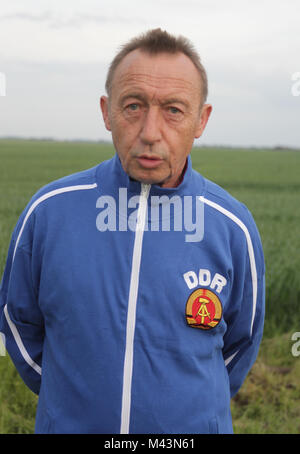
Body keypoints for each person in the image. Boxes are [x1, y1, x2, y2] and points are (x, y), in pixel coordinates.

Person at [0, 28, 265, 434]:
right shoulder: (48, 212)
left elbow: (241, 343)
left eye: (173, 109)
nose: (150, 132)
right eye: (134, 106)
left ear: (201, 119)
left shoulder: (232, 227)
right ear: (107, 111)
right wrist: (71, 401)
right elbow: (19, 323)